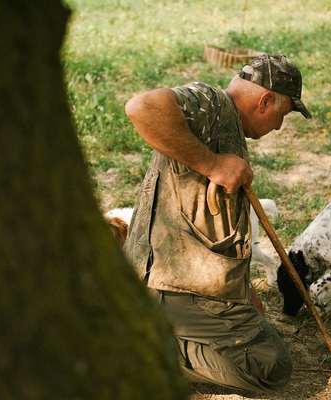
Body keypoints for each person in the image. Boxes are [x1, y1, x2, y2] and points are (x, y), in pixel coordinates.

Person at [123, 54, 312, 392]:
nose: (280, 126)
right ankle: (143, 349)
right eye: (282, 115)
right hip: (175, 287)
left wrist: (245, 289)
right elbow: (142, 107)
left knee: (266, 337)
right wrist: (212, 164)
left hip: (200, 284)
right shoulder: (213, 103)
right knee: (270, 368)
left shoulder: (228, 124)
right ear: (266, 100)